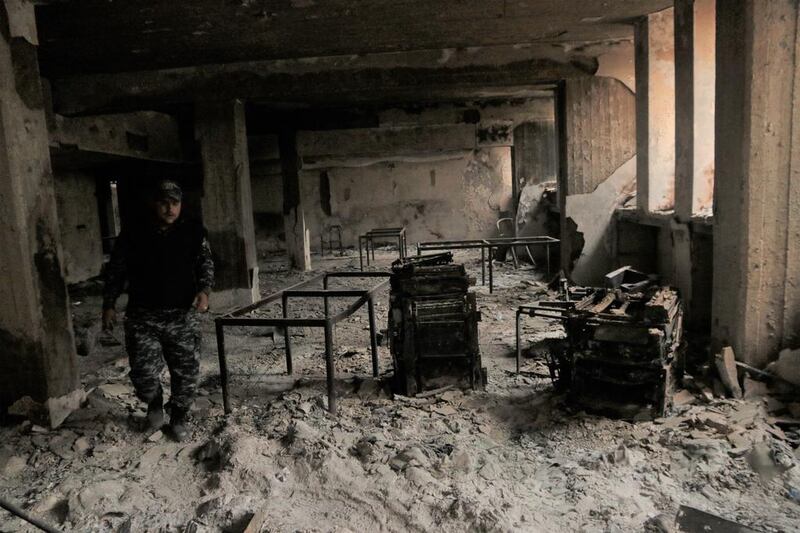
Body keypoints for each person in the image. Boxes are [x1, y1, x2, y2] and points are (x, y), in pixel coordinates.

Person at [101, 180, 214, 441]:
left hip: (181, 316)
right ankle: (154, 405)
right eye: (164, 203)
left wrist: (204, 291)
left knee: (186, 374)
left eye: (174, 203)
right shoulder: (133, 233)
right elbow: (116, 271)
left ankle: (178, 417)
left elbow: (205, 263)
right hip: (143, 316)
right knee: (143, 373)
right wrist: (109, 305)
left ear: (181, 204)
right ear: (155, 203)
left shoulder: (193, 231)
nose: (169, 209)